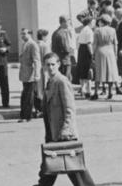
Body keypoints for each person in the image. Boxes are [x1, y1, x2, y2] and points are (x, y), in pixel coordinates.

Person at [38, 52, 96, 186]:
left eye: (53, 64)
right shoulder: (50, 82)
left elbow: (70, 109)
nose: (51, 68)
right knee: (50, 168)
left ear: (58, 64)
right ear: (44, 67)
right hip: (53, 134)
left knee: (74, 169)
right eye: (48, 65)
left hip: (65, 135)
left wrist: (65, 131)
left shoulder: (62, 81)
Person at [92, 14, 121, 100]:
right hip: (110, 51)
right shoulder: (113, 30)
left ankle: (96, 92)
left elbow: (95, 44)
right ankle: (110, 92)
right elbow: (115, 43)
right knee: (110, 72)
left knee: (99, 72)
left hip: (100, 51)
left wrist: (93, 54)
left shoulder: (97, 31)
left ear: (101, 21)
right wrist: (115, 54)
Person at [19, 28, 41, 122]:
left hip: (31, 74)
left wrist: (37, 74)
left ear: (30, 34)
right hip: (25, 73)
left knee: (28, 96)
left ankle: (26, 116)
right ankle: (36, 110)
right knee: (27, 94)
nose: (23, 36)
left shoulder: (33, 45)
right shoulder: (25, 44)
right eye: (22, 34)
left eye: (25, 34)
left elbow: (36, 60)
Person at [76, 16, 95, 98]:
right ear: (90, 22)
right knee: (88, 71)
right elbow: (89, 43)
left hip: (81, 50)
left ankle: (83, 90)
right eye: (93, 22)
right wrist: (92, 54)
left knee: (82, 71)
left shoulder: (83, 30)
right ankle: (88, 90)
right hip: (86, 50)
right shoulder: (89, 31)